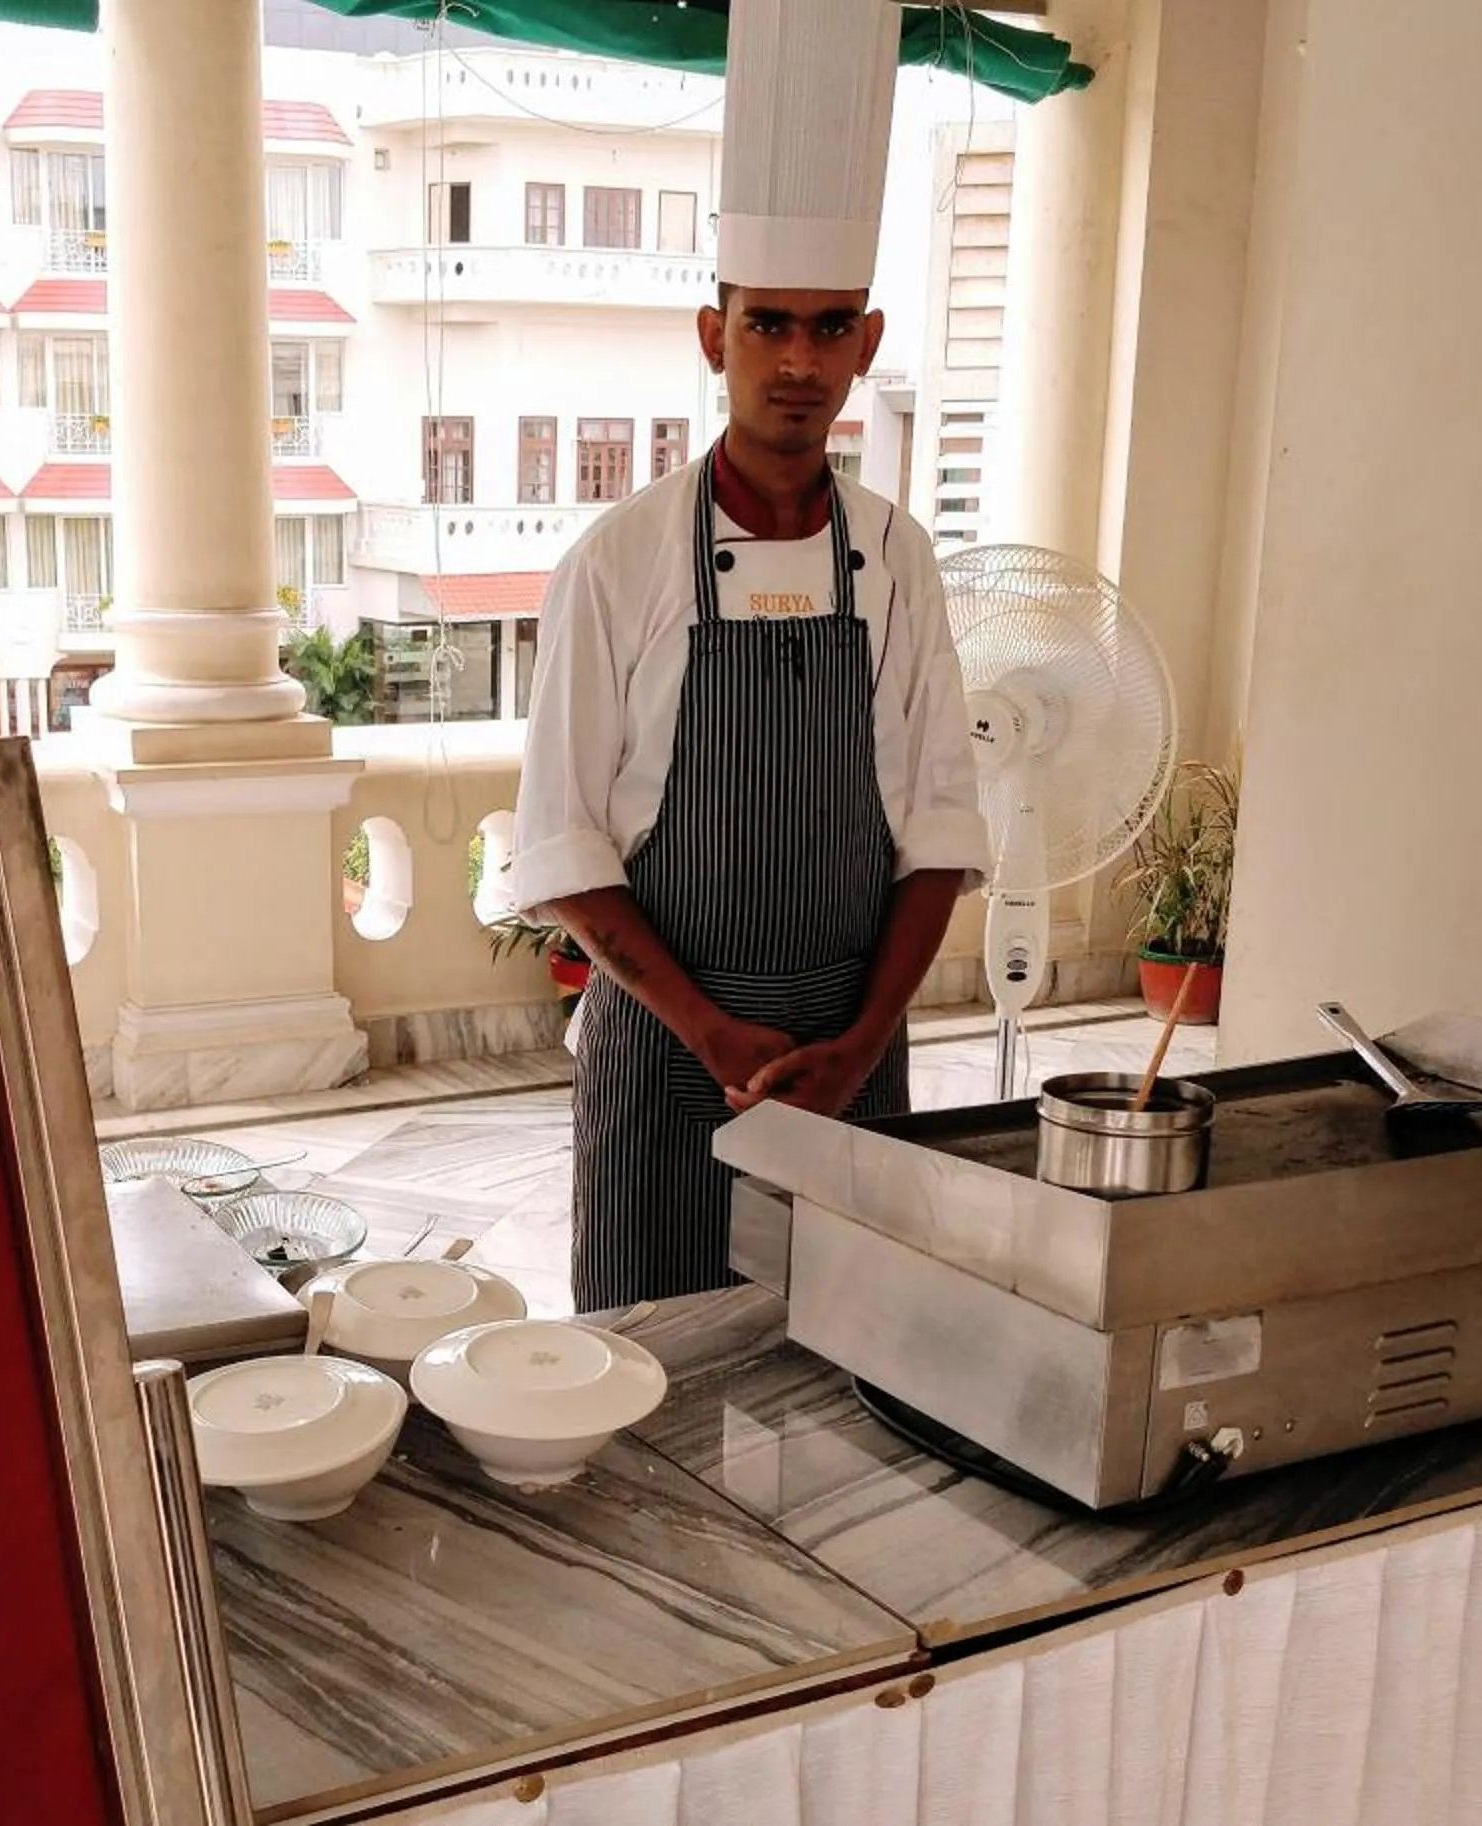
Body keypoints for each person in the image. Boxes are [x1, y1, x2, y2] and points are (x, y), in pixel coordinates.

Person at [508, 0, 988, 1312]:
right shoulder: (618, 563)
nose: (799, 361)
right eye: (769, 323)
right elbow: (561, 849)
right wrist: (708, 1027)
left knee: (837, 1370)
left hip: (853, 1048)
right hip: (668, 1055)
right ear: (713, 333)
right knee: (643, 1375)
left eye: (831, 328)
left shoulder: (897, 563)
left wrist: (855, 1049)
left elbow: (938, 836)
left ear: (868, 345)